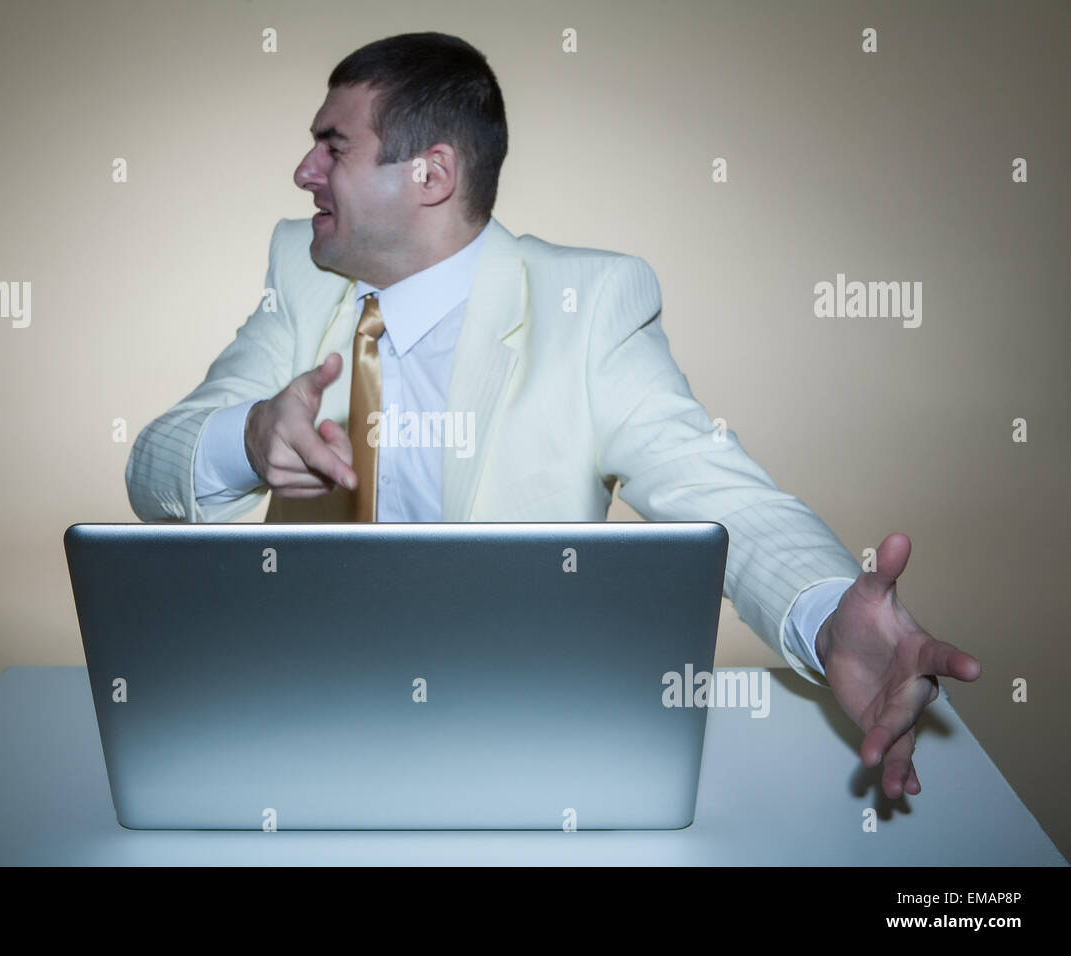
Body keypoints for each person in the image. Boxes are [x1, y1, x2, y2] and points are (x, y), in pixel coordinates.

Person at [125, 32, 980, 800]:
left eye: (331, 144)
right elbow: (153, 466)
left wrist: (827, 615)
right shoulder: (302, 275)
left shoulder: (589, 305)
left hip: (515, 746)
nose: (304, 171)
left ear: (431, 173)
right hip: (295, 733)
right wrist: (247, 437)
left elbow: (724, 499)